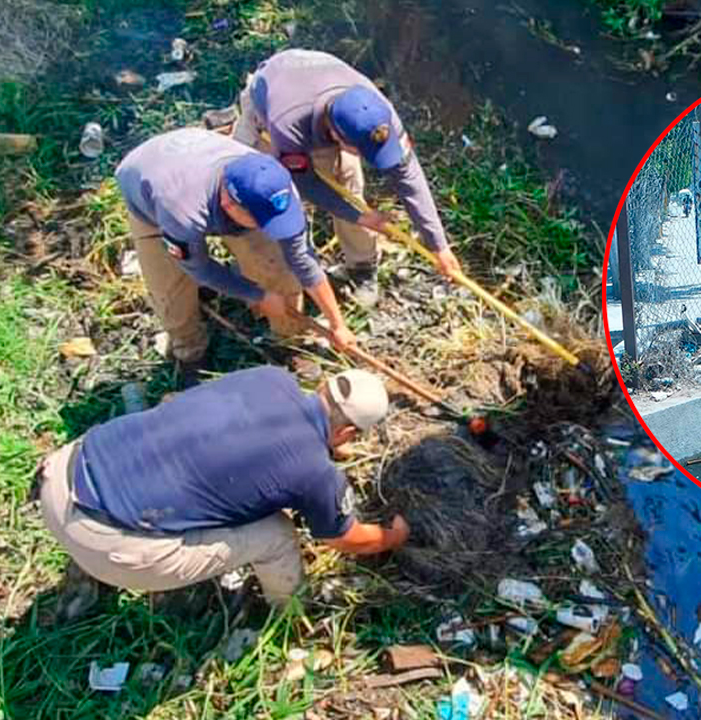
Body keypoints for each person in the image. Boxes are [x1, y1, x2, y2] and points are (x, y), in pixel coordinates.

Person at [36, 366, 408, 606]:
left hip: (61, 476)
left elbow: (185, 404)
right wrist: (394, 536)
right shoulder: (316, 471)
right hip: (110, 542)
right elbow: (344, 539)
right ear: (346, 432)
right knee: (277, 533)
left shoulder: (269, 378)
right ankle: (291, 611)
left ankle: (88, 564)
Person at [116, 128, 355, 379]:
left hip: (199, 160)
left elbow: (302, 259)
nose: (270, 227)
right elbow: (200, 268)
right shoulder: (182, 212)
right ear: (229, 204)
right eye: (262, 221)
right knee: (170, 292)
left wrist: (338, 324)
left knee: (278, 265)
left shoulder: (276, 189)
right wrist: (257, 295)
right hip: (150, 190)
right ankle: (190, 351)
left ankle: (289, 341)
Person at [232, 49, 462, 307]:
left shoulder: (378, 112)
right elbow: (305, 183)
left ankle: (362, 266)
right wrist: (358, 216)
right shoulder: (289, 124)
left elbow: (407, 175)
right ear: (336, 135)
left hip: (313, 93)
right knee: (256, 198)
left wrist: (439, 246)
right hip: (266, 110)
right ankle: (280, 281)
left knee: (349, 180)